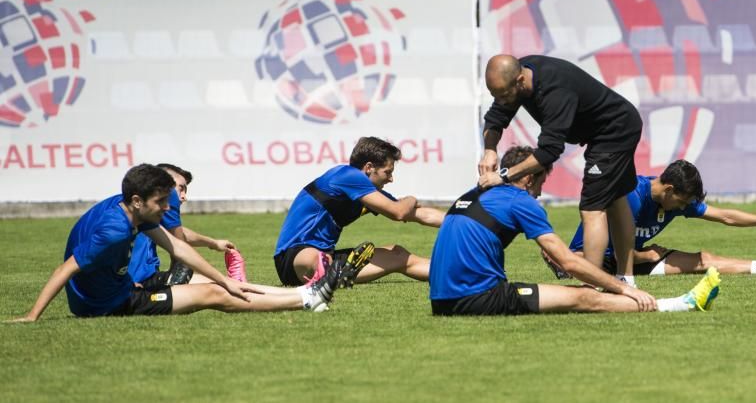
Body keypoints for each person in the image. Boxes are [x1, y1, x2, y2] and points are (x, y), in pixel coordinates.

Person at [9, 164, 371, 322]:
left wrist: (226, 278)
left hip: (121, 287)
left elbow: (179, 249)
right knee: (212, 296)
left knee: (218, 286)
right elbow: (67, 267)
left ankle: (308, 295)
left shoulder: (127, 210)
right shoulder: (114, 229)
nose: (168, 208)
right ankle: (307, 298)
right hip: (110, 305)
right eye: (161, 202)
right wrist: (31, 315)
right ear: (138, 201)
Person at [430, 146, 721, 316]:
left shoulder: (474, 192)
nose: (541, 192)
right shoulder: (520, 202)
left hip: (441, 298)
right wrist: (622, 286)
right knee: (584, 296)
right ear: (528, 178)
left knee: (576, 290)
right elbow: (568, 262)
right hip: (474, 299)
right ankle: (678, 304)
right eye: (542, 182)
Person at [478, 54, 643, 284]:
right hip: (605, 130)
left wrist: (504, 175)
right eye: (496, 96)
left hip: (614, 131)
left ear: (520, 81)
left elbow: (548, 152)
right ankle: (626, 278)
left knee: (591, 209)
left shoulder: (555, 91)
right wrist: (490, 150)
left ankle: (591, 287)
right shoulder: (512, 80)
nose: (502, 101)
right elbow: (495, 119)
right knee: (616, 199)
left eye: (504, 95)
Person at [546, 159, 756, 279]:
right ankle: (563, 265)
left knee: (706, 260)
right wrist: (646, 256)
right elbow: (611, 253)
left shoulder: (675, 203)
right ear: (669, 190)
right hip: (598, 259)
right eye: (681, 202)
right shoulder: (631, 196)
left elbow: (726, 216)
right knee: (577, 260)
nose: (683, 208)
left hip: (634, 257)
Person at [273, 136, 445, 287]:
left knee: (398, 255)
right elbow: (399, 212)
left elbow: (423, 215)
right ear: (369, 167)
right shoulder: (347, 175)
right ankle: (333, 274)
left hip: (328, 258)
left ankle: (457, 273)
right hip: (293, 258)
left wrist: (464, 220)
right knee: (317, 259)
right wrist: (411, 199)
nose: (391, 179)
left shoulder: (368, 192)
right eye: (388, 172)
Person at [128, 163, 247, 289]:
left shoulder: (133, 207)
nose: (184, 197)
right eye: (181, 188)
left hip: (137, 280)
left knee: (214, 284)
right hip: (138, 283)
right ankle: (239, 285)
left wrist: (213, 243)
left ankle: (238, 285)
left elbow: (176, 233)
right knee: (218, 290)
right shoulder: (166, 198)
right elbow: (179, 247)